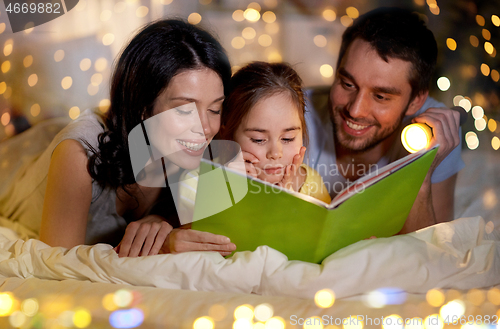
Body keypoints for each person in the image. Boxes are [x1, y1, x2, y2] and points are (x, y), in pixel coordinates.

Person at [0, 19, 237, 257]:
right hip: (15, 164)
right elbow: (59, 270)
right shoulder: (79, 155)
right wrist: (161, 246)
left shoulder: (207, 146)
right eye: (185, 110)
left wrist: (163, 220)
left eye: (215, 109)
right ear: (143, 104)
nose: (205, 128)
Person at [304, 7, 464, 233]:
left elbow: (434, 253)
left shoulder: (436, 132)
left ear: (416, 101)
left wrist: (420, 174)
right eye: (348, 84)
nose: (356, 110)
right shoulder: (293, 113)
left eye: (380, 96)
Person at [219, 62, 331, 203]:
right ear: (227, 137)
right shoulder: (206, 180)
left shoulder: (312, 184)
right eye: (258, 139)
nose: (276, 153)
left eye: (288, 139)